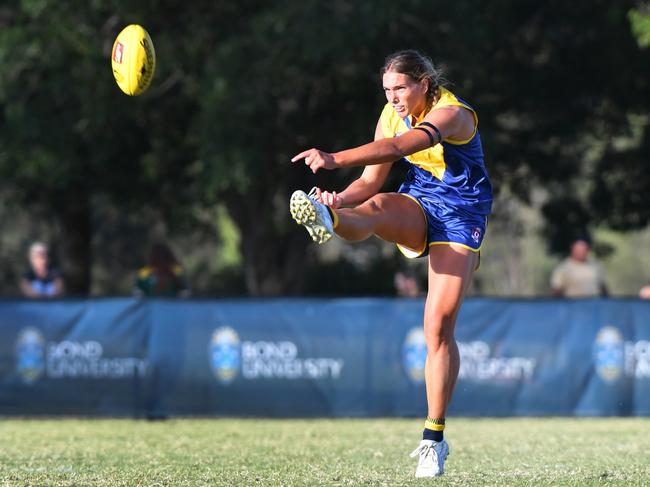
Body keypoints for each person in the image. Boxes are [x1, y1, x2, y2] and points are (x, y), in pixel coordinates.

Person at [289, 50, 492, 478]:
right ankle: (330, 218)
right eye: (387, 90)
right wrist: (337, 198)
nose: (393, 97)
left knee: (438, 325)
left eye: (400, 88)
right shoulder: (391, 112)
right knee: (378, 204)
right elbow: (369, 182)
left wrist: (334, 158)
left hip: (461, 216)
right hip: (421, 201)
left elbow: (402, 146)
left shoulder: (453, 113)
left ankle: (433, 439)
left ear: (424, 82)